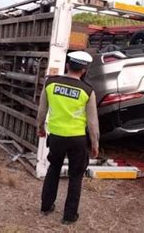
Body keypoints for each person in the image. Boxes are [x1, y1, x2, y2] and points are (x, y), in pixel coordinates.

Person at [37, 51, 99, 225]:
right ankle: (69, 216)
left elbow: (42, 111)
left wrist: (40, 128)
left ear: (67, 66)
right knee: (76, 176)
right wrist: (95, 143)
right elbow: (92, 122)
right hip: (77, 139)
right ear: (84, 70)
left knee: (53, 169)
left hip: (56, 137)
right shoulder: (87, 91)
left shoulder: (50, 83)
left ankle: (46, 206)